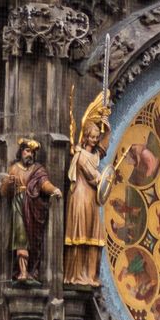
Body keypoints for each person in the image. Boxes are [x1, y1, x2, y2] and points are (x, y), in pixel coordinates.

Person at [64, 94, 112, 287]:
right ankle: (76, 275)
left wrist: (106, 129)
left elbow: (103, 148)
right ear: (84, 137)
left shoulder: (93, 154)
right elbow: (93, 176)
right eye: (91, 137)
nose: (94, 140)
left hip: (91, 198)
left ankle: (91, 276)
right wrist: (103, 178)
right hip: (81, 197)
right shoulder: (81, 155)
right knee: (80, 234)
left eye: (96, 137)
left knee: (94, 236)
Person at [1, 138, 60, 282]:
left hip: (33, 208)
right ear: (21, 152)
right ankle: (22, 272)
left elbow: (44, 184)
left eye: (32, 152)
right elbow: (4, 192)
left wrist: (54, 189)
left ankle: (32, 270)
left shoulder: (38, 169)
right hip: (19, 207)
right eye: (27, 151)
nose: (30, 155)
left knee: (34, 242)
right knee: (21, 239)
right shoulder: (14, 168)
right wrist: (8, 184)